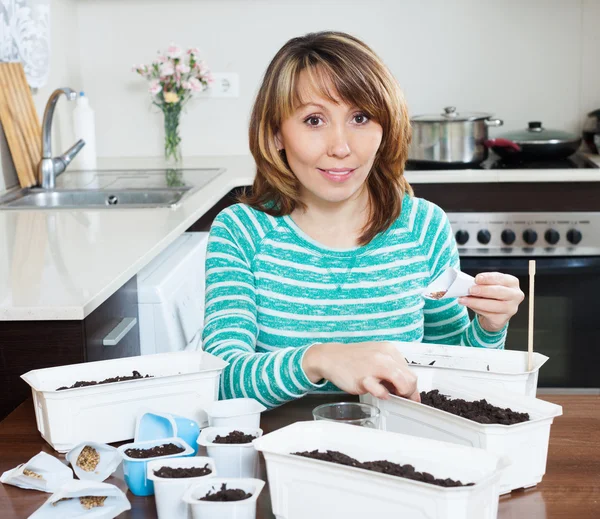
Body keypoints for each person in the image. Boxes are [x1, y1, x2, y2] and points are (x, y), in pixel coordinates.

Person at [202, 31, 524, 409]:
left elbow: (452, 372)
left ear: (385, 127)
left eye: (360, 117)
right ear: (276, 133)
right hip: (278, 453)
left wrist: (489, 327)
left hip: (400, 448)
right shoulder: (241, 231)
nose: (341, 147)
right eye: (313, 120)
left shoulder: (423, 227)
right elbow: (219, 382)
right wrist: (319, 358)